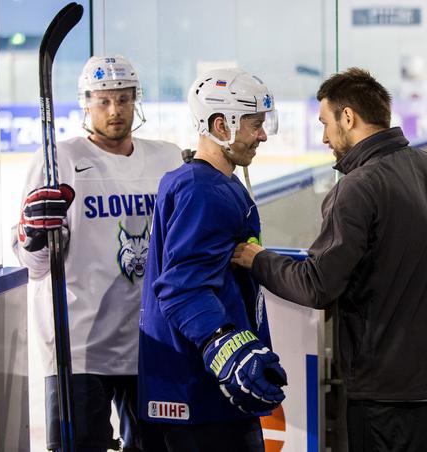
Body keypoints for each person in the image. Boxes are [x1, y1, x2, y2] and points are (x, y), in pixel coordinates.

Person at [232, 67, 427, 452]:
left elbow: (317, 285)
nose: (323, 137)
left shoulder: (356, 188)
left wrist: (259, 259)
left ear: (348, 117)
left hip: (391, 392)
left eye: (325, 123)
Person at [13, 55, 182, 451]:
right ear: (86, 103)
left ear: (135, 100)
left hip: (150, 342)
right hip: (80, 347)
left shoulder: (167, 158)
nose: (115, 110)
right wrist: (32, 237)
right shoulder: (59, 161)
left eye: (123, 99)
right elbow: (34, 266)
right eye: (104, 100)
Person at [137, 67, 287, 452]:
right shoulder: (204, 191)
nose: (263, 135)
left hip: (198, 393)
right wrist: (226, 345)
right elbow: (180, 289)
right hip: (199, 396)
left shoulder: (197, 180)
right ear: (222, 125)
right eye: (255, 125)